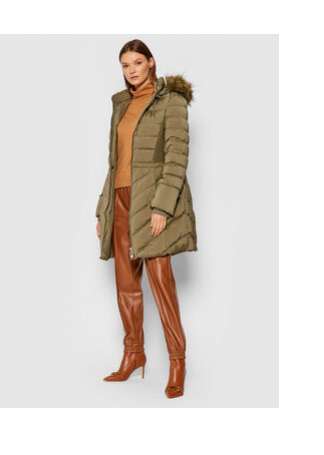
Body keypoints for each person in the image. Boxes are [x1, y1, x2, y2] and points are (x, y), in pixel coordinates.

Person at [95, 39, 198, 398]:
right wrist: (103, 209)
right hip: (120, 200)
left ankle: (177, 362)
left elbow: (176, 157)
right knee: (126, 285)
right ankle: (133, 354)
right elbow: (114, 163)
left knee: (162, 286)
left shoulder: (171, 101)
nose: (132, 70)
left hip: (151, 201)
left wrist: (162, 208)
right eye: (125, 65)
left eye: (137, 62)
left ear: (151, 63)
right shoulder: (121, 104)